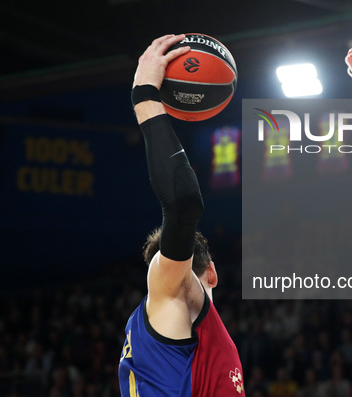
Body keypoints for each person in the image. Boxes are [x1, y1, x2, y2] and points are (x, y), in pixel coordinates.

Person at [118, 34, 245, 396]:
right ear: (212, 273)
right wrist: (144, 95)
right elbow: (184, 204)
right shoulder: (176, 290)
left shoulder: (185, 331)